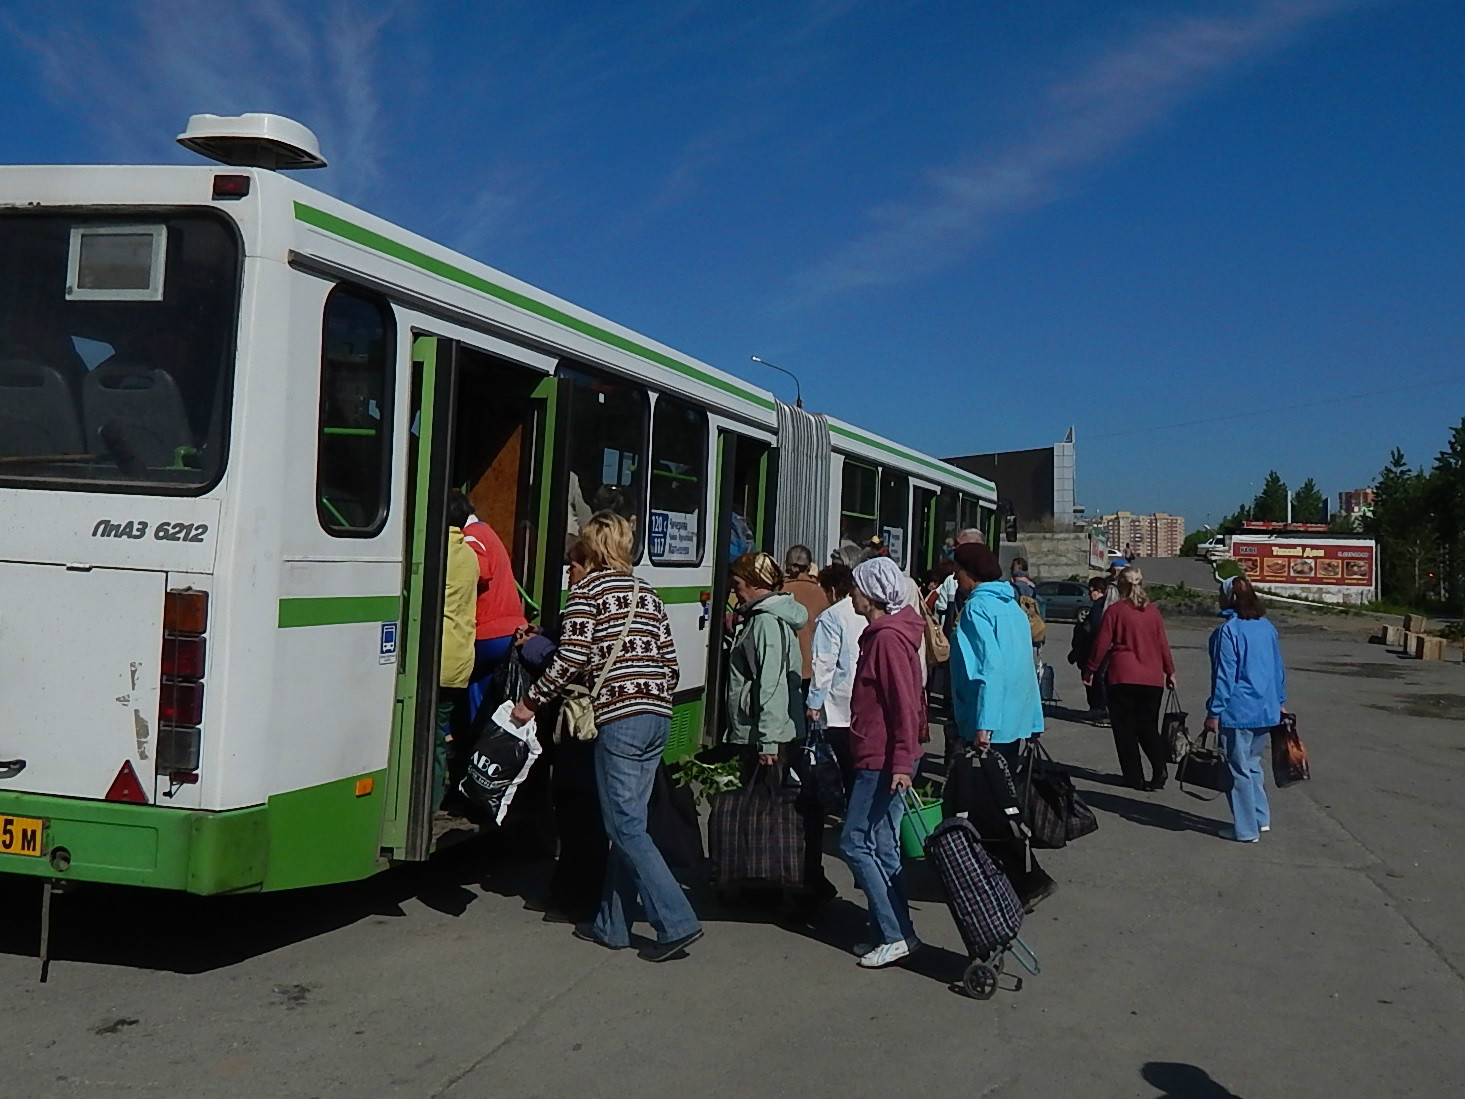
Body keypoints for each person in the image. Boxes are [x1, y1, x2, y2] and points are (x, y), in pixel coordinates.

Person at [511, 512, 700, 962]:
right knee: (629, 822)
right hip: (658, 715)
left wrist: (531, 702)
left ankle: (676, 921)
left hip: (620, 717)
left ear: (590, 551)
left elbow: (571, 656)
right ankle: (611, 925)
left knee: (624, 826)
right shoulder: (647, 593)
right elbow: (671, 663)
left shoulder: (587, 591)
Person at [947, 542, 1057, 911]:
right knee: (999, 804)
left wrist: (983, 725)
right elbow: (1026, 667)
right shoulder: (1011, 606)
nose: (955, 579)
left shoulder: (978, 608)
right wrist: (1034, 718)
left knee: (988, 809)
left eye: (957, 572)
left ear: (969, 573)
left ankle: (1027, 880)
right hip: (1013, 721)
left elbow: (989, 670)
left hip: (988, 722)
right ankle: (1008, 875)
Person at [723, 550, 834, 905]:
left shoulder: (766, 623)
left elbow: (769, 685)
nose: (735, 591)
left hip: (769, 732)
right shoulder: (763, 617)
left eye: (738, 584)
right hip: (775, 729)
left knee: (768, 809)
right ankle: (784, 879)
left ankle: (777, 881)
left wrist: (768, 742)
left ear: (755, 585)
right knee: (775, 807)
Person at [840, 557, 926, 968]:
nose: (850, 595)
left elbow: (904, 706)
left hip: (882, 758)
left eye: (856, 589)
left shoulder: (887, 640)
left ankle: (894, 933)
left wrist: (902, 763)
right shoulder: (888, 635)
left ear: (871, 595)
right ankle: (895, 929)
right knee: (883, 845)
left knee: (854, 841)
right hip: (884, 755)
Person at [1205, 576, 1287, 843]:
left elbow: (1224, 676)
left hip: (1238, 710)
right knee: (1252, 765)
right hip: (1266, 708)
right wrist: (1280, 700)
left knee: (1237, 770)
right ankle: (1260, 818)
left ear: (1228, 598)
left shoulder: (1228, 631)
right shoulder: (1267, 627)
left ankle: (1245, 829)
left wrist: (1213, 712)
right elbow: (1277, 668)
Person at [1083, 566, 1176, 791]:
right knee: (1147, 726)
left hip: (1123, 676)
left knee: (1124, 729)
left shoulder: (1115, 611)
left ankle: (1134, 776)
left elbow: (1102, 643)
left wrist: (1090, 669)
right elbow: (1162, 644)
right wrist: (1170, 671)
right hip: (1152, 678)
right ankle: (1159, 767)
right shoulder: (1153, 612)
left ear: (1120, 586)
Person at [451, 492, 529, 722]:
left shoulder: (471, 536)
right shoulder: (486, 530)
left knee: (449, 678)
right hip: (508, 631)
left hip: (487, 632)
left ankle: (453, 740)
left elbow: (481, 571)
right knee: (480, 694)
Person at [805, 562, 866, 793]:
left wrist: (813, 703)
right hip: (863, 700)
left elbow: (824, 663)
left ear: (831, 590)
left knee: (842, 765)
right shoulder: (866, 611)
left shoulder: (831, 617)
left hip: (838, 705)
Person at [435, 514, 479, 812]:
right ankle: (438, 795)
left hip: (438, 655)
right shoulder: (470, 555)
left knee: (433, 733)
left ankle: (428, 801)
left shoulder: (437, 552)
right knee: (441, 728)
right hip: (462, 656)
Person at [783, 545, 831, 691]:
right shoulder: (822, 595)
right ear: (809, 566)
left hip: (785, 667)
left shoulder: (779, 592)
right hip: (812, 668)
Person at [1067, 576, 1111, 722]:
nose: (1089, 595)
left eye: (1091, 591)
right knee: (1099, 679)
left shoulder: (1099, 605)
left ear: (1098, 590)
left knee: (1094, 679)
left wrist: (1084, 629)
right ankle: (1100, 709)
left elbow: (1095, 627)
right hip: (1098, 649)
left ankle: (1099, 710)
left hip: (1092, 649)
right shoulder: (1107, 605)